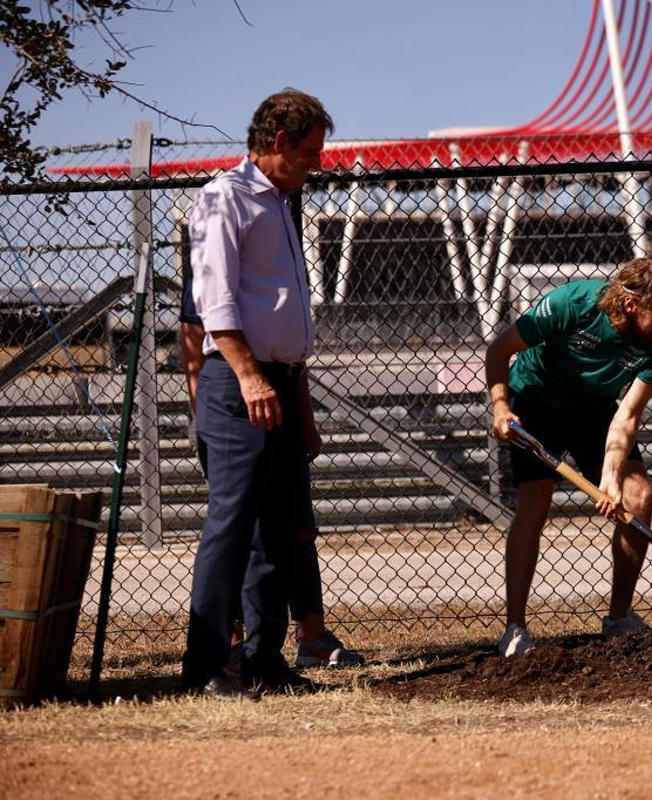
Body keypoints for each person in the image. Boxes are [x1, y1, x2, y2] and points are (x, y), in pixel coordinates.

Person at [183, 89, 336, 699]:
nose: (315, 165)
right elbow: (214, 300)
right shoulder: (224, 199)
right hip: (239, 380)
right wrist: (249, 376)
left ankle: (265, 659)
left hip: (282, 381)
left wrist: (297, 400)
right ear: (278, 143)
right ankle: (210, 665)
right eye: (308, 153)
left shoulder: (280, 203)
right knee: (232, 521)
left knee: (280, 527)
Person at [485, 256, 652, 657]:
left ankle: (618, 618)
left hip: (595, 408)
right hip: (536, 399)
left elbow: (627, 414)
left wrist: (610, 478)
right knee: (536, 498)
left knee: (638, 497)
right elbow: (499, 349)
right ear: (632, 305)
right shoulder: (572, 304)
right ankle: (515, 628)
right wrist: (501, 407)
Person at [180, 281, 364, 672]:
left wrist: (307, 421)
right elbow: (194, 340)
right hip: (235, 402)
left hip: (283, 404)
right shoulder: (220, 247)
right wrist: (204, 420)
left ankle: (307, 638)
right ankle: (228, 645)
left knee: (295, 527)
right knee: (238, 527)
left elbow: (292, 354)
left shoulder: (276, 258)